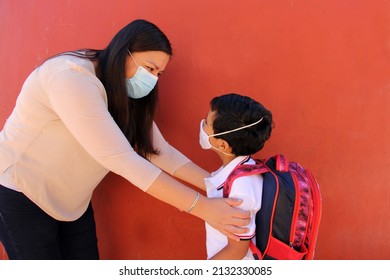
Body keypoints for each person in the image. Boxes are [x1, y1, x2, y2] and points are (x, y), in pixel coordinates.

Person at [0, 19, 250, 260]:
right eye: (149, 68)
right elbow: (123, 160)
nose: (152, 79)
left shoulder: (124, 90)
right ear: (123, 52)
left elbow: (158, 151)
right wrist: (204, 208)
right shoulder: (71, 77)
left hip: (71, 201)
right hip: (22, 192)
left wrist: (217, 184)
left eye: (159, 73)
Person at [198, 93, 273, 260]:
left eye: (207, 123)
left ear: (222, 144)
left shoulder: (240, 187)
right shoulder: (242, 170)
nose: (201, 125)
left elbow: (237, 250)